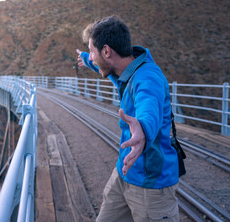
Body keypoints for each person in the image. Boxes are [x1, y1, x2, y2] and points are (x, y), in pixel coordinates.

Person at [76, 15, 179, 222]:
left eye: (92, 51)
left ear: (106, 51)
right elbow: (101, 65)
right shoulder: (122, 68)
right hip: (124, 173)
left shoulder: (147, 78)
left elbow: (148, 108)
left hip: (150, 186)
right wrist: (87, 60)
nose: (91, 56)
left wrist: (142, 129)